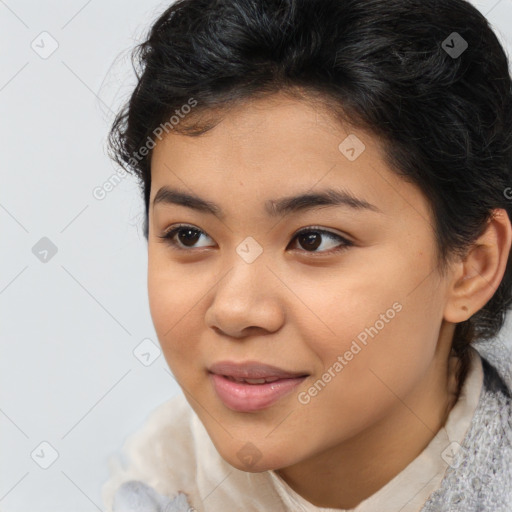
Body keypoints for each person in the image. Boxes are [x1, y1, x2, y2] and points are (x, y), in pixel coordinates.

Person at [101, 0, 512, 510]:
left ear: (472, 267)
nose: (233, 310)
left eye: (314, 239)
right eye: (189, 236)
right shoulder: (155, 480)